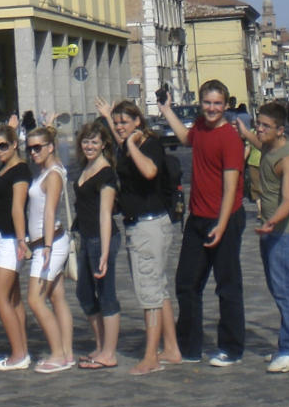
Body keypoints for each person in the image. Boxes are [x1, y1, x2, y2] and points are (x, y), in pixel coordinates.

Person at [160, 79, 245, 366]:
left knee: (227, 286)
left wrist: (221, 225)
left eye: (217, 103)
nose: (211, 108)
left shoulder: (230, 138)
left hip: (224, 217)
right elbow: (186, 138)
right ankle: (190, 346)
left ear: (226, 105)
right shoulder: (199, 126)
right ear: (201, 103)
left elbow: (231, 187)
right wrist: (166, 110)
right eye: (207, 103)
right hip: (197, 218)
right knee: (186, 283)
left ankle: (231, 348)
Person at [99, 97, 181, 375]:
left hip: (149, 225)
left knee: (149, 293)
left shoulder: (148, 145)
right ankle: (171, 348)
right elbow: (121, 138)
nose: (120, 127)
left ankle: (151, 357)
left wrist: (132, 143)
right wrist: (110, 119)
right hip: (140, 225)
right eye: (117, 122)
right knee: (159, 287)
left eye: (125, 122)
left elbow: (149, 171)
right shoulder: (128, 143)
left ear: (138, 122)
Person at [235, 101, 289, 372]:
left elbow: (288, 200)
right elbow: (258, 143)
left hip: (284, 232)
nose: (260, 129)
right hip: (271, 228)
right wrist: (245, 132)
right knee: (280, 288)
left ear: (280, 130)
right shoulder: (268, 145)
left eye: (265, 126)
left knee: (285, 289)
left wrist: (271, 223)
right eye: (258, 123)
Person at [24, 124, 73, 373]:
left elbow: (50, 210)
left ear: (50, 147)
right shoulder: (44, 171)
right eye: (30, 148)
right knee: (57, 297)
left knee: (35, 299)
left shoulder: (53, 174)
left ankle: (57, 353)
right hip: (45, 242)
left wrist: (46, 246)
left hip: (50, 243)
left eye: (38, 148)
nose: (33, 153)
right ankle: (67, 353)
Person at [74, 119, 120, 370]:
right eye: (86, 141)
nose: (89, 145)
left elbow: (105, 213)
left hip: (102, 239)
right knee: (83, 291)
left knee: (106, 295)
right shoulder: (85, 167)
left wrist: (103, 252)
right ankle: (101, 345)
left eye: (94, 141)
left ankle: (109, 353)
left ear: (104, 144)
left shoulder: (106, 172)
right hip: (86, 236)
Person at [0, 122, 30, 370]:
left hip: (11, 238)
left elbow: (17, 207)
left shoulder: (20, 170)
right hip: (0, 237)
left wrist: (22, 240)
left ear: (15, 144)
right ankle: (22, 349)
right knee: (14, 298)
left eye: (3, 145)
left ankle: (18, 354)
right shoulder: (4, 167)